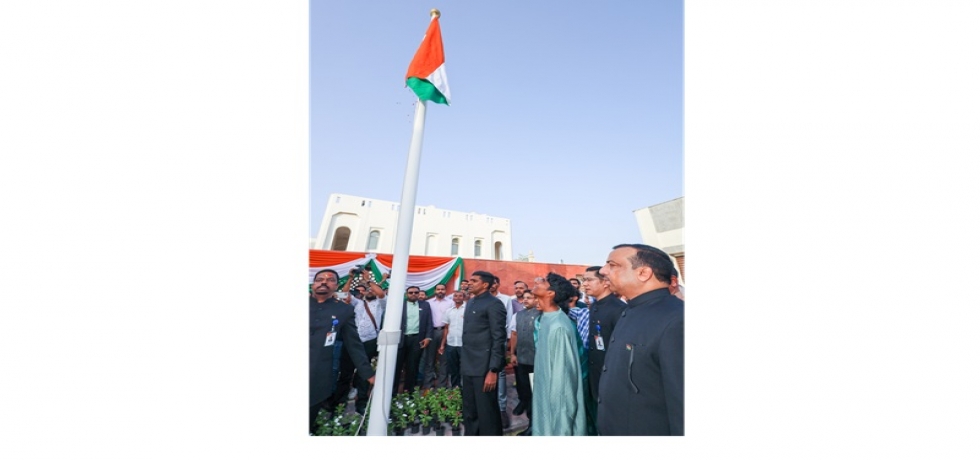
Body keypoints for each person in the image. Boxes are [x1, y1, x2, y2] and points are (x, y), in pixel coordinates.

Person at [598, 244, 684, 436]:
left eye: (612, 265)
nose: (603, 271)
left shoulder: (678, 319)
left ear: (643, 273)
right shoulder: (630, 310)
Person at [309, 269, 374, 434]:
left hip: (317, 376)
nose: (324, 281)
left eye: (330, 279)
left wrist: (368, 374)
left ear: (336, 286)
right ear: (313, 284)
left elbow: (354, 344)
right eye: (319, 279)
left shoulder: (343, 310)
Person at [529, 273, 588, 436]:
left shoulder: (559, 326)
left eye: (543, 281)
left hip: (559, 419)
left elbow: (563, 384)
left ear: (551, 293)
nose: (537, 281)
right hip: (545, 400)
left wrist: (562, 428)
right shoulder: (545, 319)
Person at [459, 271, 507, 436]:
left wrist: (493, 370)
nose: (469, 283)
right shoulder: (471, 302)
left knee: (487, 411)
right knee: (470, 409)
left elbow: (499, 339)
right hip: (468, 364)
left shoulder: (494, 304)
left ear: (485, 284)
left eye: (474, 281)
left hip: (484, 367)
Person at [581, 265, 627, 425]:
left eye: (589, 280)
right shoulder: (594, 306)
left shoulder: (619, 309)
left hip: (613, 376)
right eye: (583, 280)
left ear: (605, 282)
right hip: (595, 372)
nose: (585, 284)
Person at [508, 290, 540, 436]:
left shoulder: (541, 314)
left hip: (537, 361)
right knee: (524, 389)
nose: (525, 300)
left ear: (536, 299)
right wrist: (512, 353)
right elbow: (514, 334)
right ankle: (528, 414)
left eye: (529, 297)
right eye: (524, 298)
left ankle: (534, 424)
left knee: (536, 393)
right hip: (522, 359)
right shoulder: (517, 315)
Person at [392, 286, 433, 396]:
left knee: (412, 367)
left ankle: (408, 394)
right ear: (407, 294)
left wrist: (428, 337)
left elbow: (429, 321)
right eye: (411, 292)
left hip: (417, 340)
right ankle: (393, 394)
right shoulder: (400, 305)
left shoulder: (425, 305)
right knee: (396, 367)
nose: (413, 294)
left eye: (416, 292)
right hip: (401, 339)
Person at [490, 276, 514, 429]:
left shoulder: (505, 299)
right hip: (483, 342)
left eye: (494, 283)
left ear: (498, 284)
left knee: (500, 373)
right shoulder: (479, 299)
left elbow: (510, 319)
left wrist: (509, 342)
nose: (491, 285)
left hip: (500, 341)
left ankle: (502, 409)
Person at [422, 283, 454, 389]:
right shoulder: (428, 303)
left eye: (442, 289)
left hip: (445, 332)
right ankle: (428, 386)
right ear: (435, 291)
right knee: (429, 360)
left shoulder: (451, 303)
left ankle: (442, 386)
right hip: (431, 332)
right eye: (438, 289)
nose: (440, 291)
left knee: (444, 360)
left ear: (445, 291)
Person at [438, 290, 468, 388]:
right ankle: (456, 389)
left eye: (460, 296)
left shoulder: (468, 309)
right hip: (451, 344)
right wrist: (443, 344)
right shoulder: (449, 311)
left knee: (464, 367)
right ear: (453, 298)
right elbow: (446, 328)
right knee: (453, 368)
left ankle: (466, 389)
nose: (458, 297)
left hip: (464, 344)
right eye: (456, 296)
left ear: (463, 297)